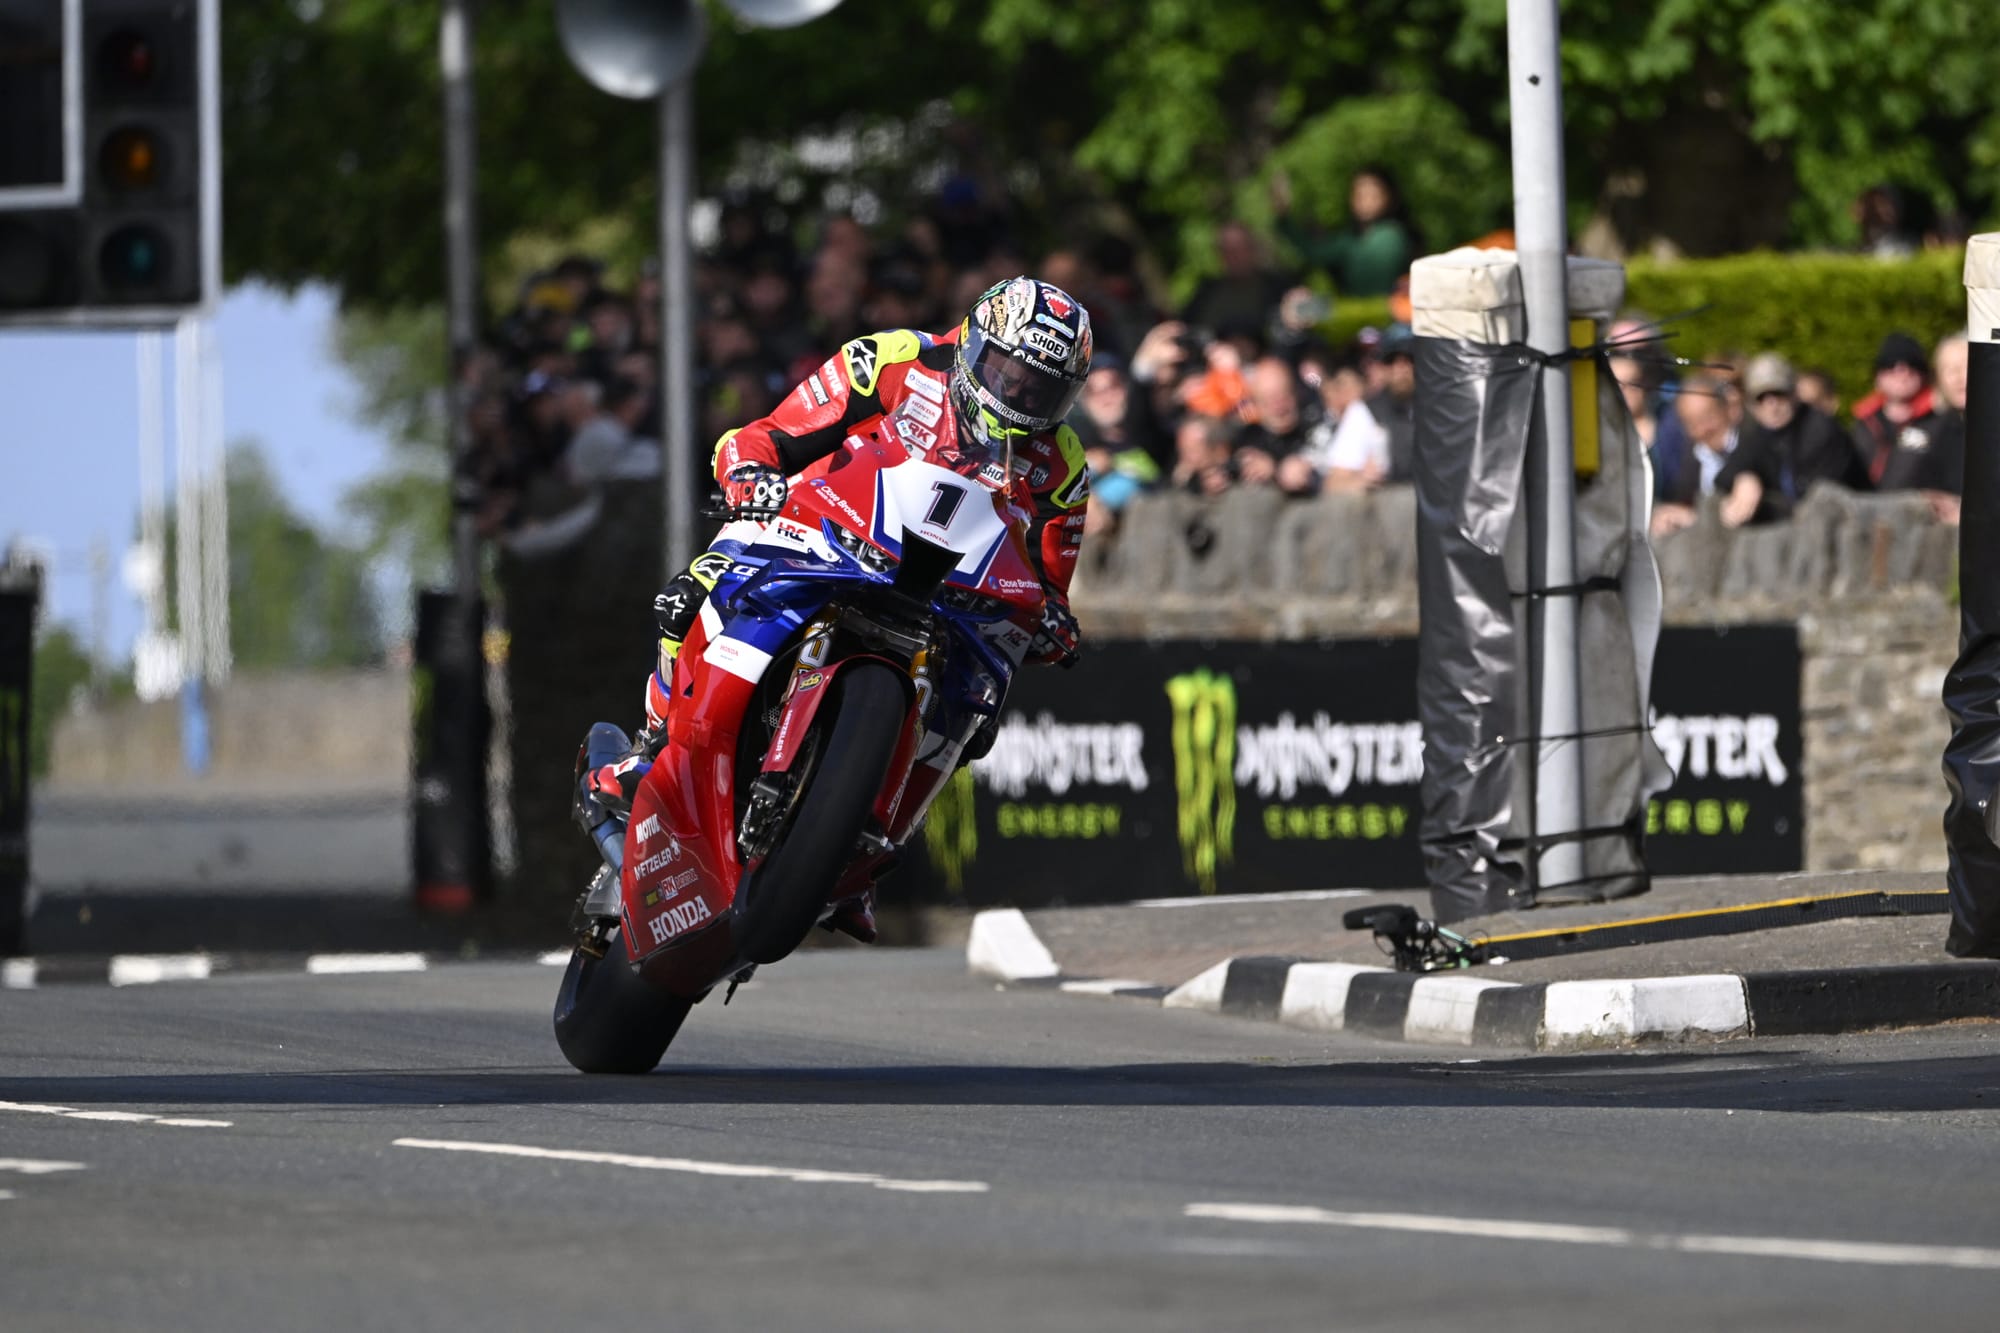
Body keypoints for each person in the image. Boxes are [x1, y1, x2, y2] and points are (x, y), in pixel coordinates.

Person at [585, 278, 1095, 933]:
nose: (1020, 398)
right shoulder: (893, 358)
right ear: (973, 342)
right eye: (1010, 374)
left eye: (1042, 390)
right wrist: (750, 471)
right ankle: (652, 748)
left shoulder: (1064, 462)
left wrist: (1053, 621)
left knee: (979, 709)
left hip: (948, 594)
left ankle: (864, 850)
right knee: (699, 586)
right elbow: (774, 434)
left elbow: (1050, 585)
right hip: (828, 525)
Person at [1720, 352, 1867, 522]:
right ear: (1751, 405)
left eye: (1779, 394)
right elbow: (1724, 476)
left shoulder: (1821, 431)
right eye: (1761, 398)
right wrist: (1745, 476)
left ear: (1795, 394)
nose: (1771, 406)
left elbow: (1815, 500)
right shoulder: (1759, 433)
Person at [1273, 166, 1417, 297]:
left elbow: (1320, 254)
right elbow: (1316, 253)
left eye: (1372, 194)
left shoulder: (1391, 236)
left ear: (1388, 197)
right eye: (1359, 194)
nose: (1364, 200)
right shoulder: (1351, 238)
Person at [1853, 331, 1952, 494]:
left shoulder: (1940, 422)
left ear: (1924, 375)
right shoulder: (1863, 425)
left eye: (1912, 365)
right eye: (1891, 365)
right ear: (1877, 376)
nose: (1902, 372)